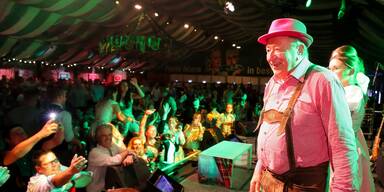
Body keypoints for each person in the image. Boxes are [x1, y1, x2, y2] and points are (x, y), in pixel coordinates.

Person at [249, 18, 359, 192]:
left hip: (302, 185)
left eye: (277, 49)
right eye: (268, 50)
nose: (270, 57)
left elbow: (342, 145)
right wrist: (258, 170)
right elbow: (267, 130)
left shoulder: (323, 81)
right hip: (268, 181)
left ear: (300, 50)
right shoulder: (272, 83)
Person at [329, 45, 375, 191]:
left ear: (352, 70)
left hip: (346, 150)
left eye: (336, 68)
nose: (331, 73)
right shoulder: (343, 90)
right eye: (329, 69)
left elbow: (334, 118)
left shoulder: (352, 92)